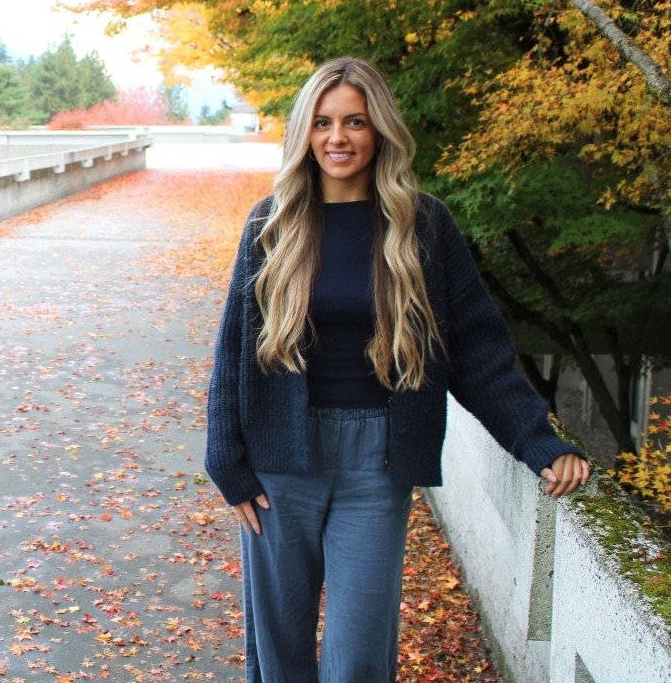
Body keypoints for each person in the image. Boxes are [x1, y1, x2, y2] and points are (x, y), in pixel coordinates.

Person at [204, 57, 590, 683]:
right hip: (280, 461)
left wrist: (536, 440)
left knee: (359, 655)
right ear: (304, 132)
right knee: (279, 651)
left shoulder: (424, 225)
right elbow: (233, 353)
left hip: (377, 461)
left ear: (380, 129)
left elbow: (477, 350)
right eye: (323, 123)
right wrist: (225, 456)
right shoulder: (270, 224)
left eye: (355, 121)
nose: (338, 138)